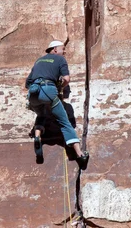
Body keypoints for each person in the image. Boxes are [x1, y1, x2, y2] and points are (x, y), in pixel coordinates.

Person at [26, 40, 89, 168]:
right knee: (65, 122)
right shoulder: (60, 60)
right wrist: (60, 87)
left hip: (33, 94)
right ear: (55, 49)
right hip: (48, 90)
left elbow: (27, 83)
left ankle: (38, 136)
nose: (64, 51)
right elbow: (66, 79)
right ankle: (80, 155)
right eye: (63, 49)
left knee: (42, 114)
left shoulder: (38, 61)